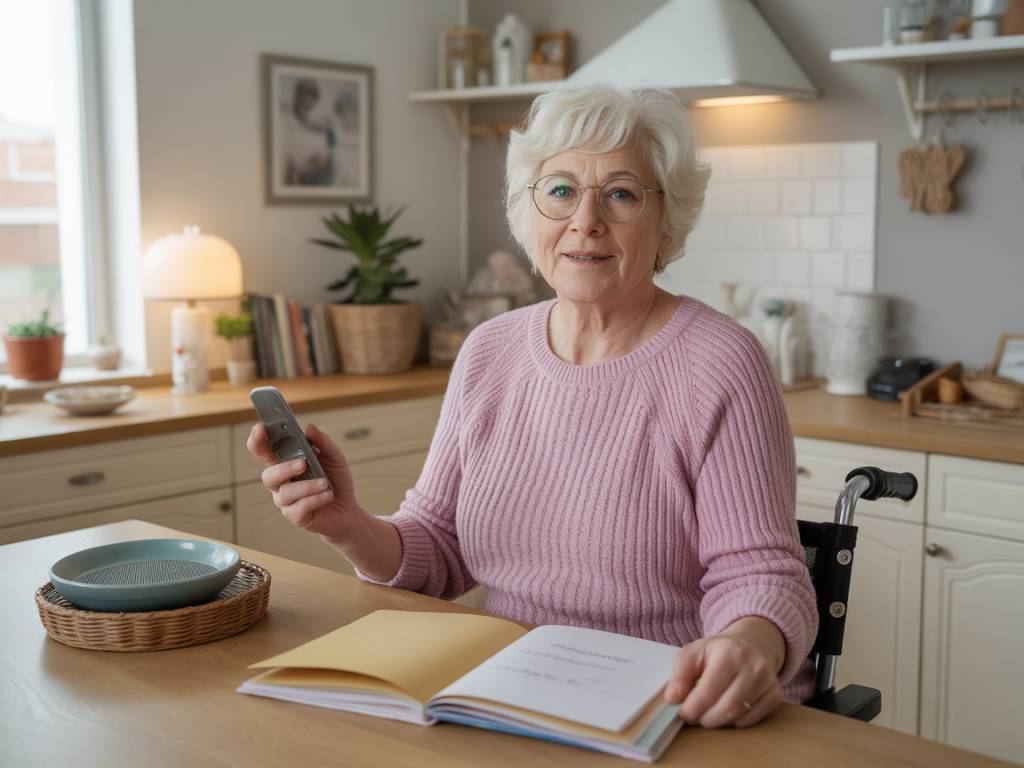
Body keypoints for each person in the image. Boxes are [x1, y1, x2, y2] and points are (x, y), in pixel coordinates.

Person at [247, 85, 818, 729]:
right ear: (529, 210)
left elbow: (761, 571)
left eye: (622, 193)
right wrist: (347, 524)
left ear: (668, 223)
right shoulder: (490, 350)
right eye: (561, 190)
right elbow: (437, 547)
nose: (586, 220)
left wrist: (747, 643)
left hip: (667, 705)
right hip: (504, 694)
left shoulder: (719, 361)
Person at [281, 77, 335, 186]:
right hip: (296, 177)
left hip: (320, 176)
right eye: (304, 96)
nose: (308, 100)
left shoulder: (326, 121)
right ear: (298, 97)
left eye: (312, 96)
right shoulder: (288, 120)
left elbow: (332, 146)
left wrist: (325, 160)